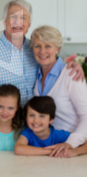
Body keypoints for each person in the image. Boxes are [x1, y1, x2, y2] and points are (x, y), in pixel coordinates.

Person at [0, 0, 85, 156]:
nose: (18, 22)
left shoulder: (35, 49)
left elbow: (53, 60)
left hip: (33, 134)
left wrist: (75, 65)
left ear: (29, 24)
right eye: (13, 17)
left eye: (23, 18)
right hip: (0, 136)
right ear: (4, 21)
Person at [30, 25, 87, 157]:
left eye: (48, 46)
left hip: (72, 149)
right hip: (51, 148)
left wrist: (70, 144)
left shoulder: (71, 75)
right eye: (38, 46)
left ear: (58, 49)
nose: (42, 51)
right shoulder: (35, 76)